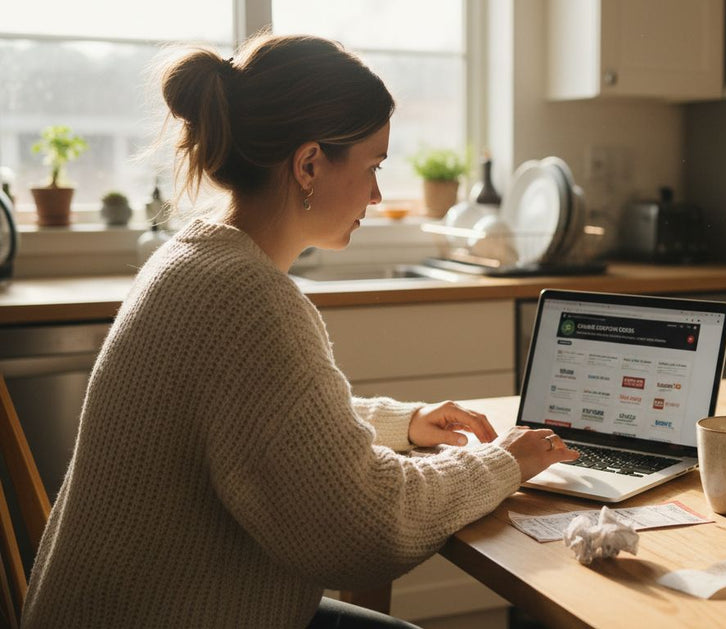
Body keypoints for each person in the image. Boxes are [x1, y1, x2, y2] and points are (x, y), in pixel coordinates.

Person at [23, 32, 578, 628]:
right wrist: (501, 464)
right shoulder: (247, 298)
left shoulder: (193, 255)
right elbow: (363, 530)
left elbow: (268, 421)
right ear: (310, 163)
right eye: (371, 166)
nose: (377, 193)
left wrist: (405, 424)